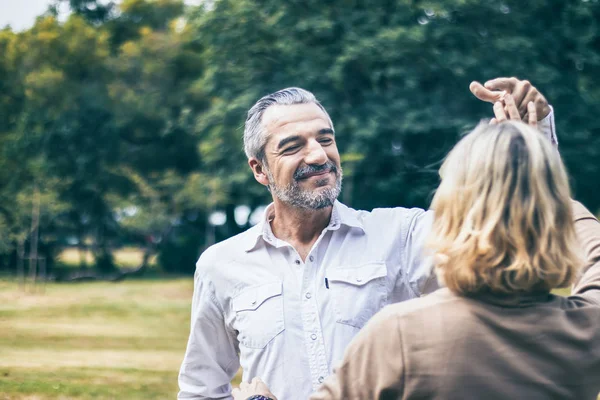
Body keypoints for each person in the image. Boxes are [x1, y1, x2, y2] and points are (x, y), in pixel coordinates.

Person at [178, 78, 558, 400]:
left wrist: (535, 138)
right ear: (259, 170)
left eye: (325, 139)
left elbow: (507, 237)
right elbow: (201, 388)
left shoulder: (402, 235)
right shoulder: (221, 265)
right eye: (293, 146)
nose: (318, 155)